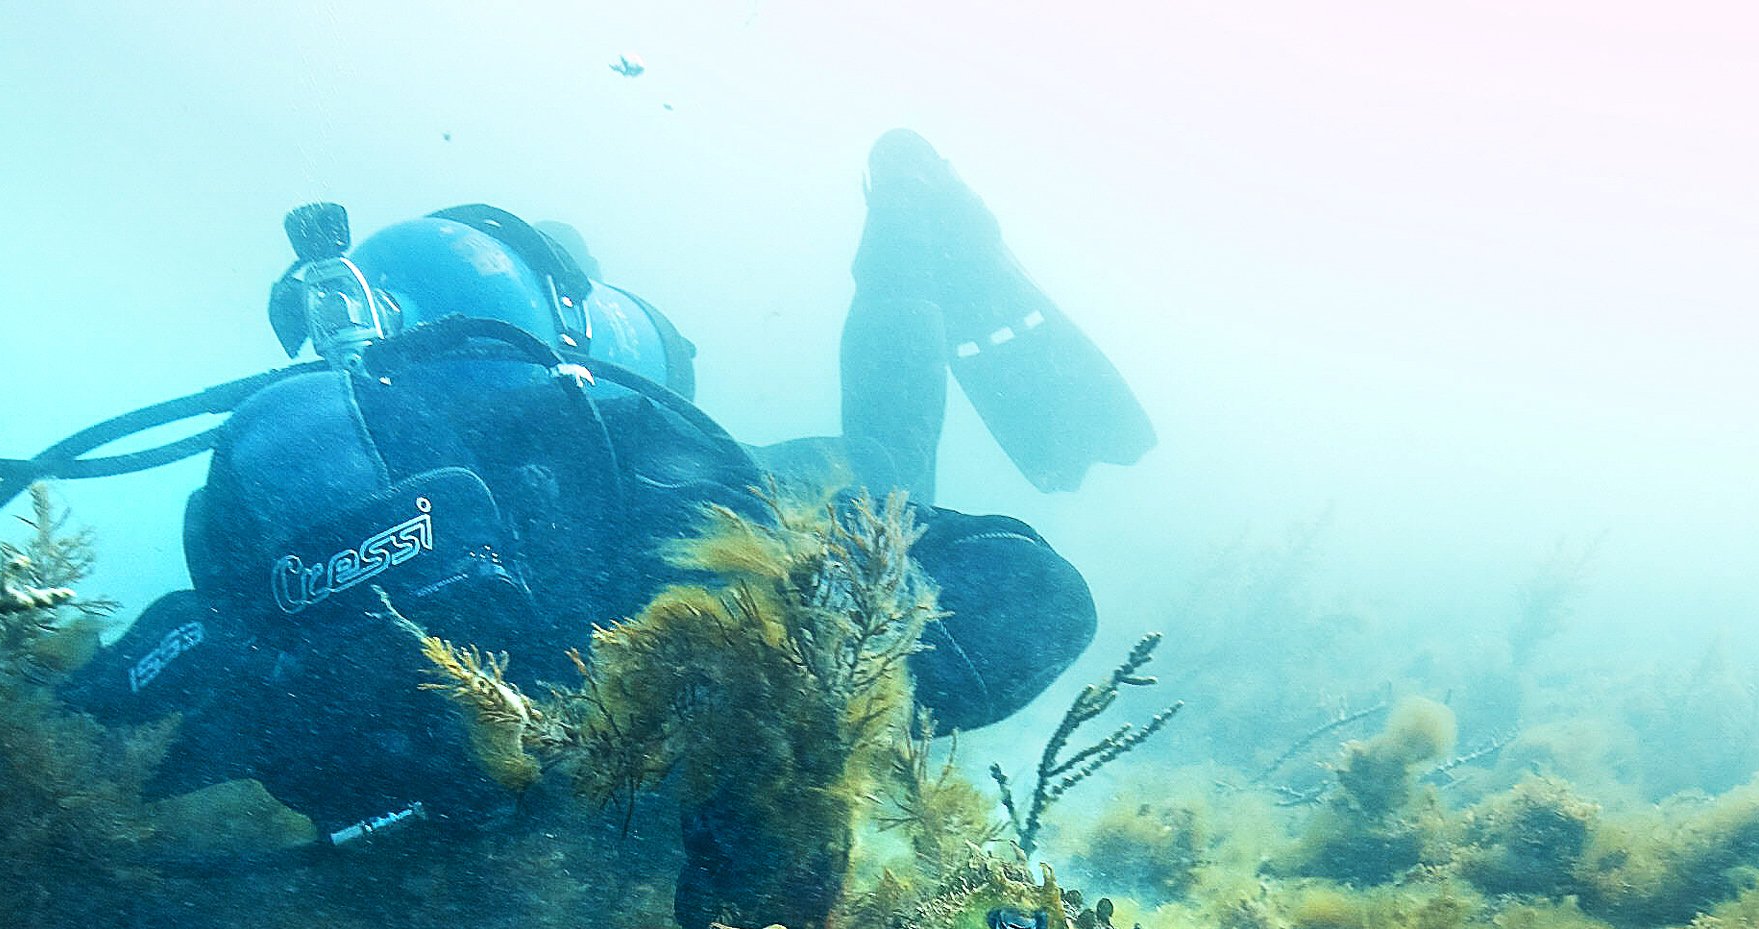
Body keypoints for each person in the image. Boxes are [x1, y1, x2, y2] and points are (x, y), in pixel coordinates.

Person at [62, 131, 1155, 887]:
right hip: (614, 635)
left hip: (398, 811)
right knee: (882, 468)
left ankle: (906, 222)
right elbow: (1035, 596)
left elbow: (101, 715)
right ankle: (904, 219)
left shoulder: (296, 511)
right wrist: (802, 726)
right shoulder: (642, 462)